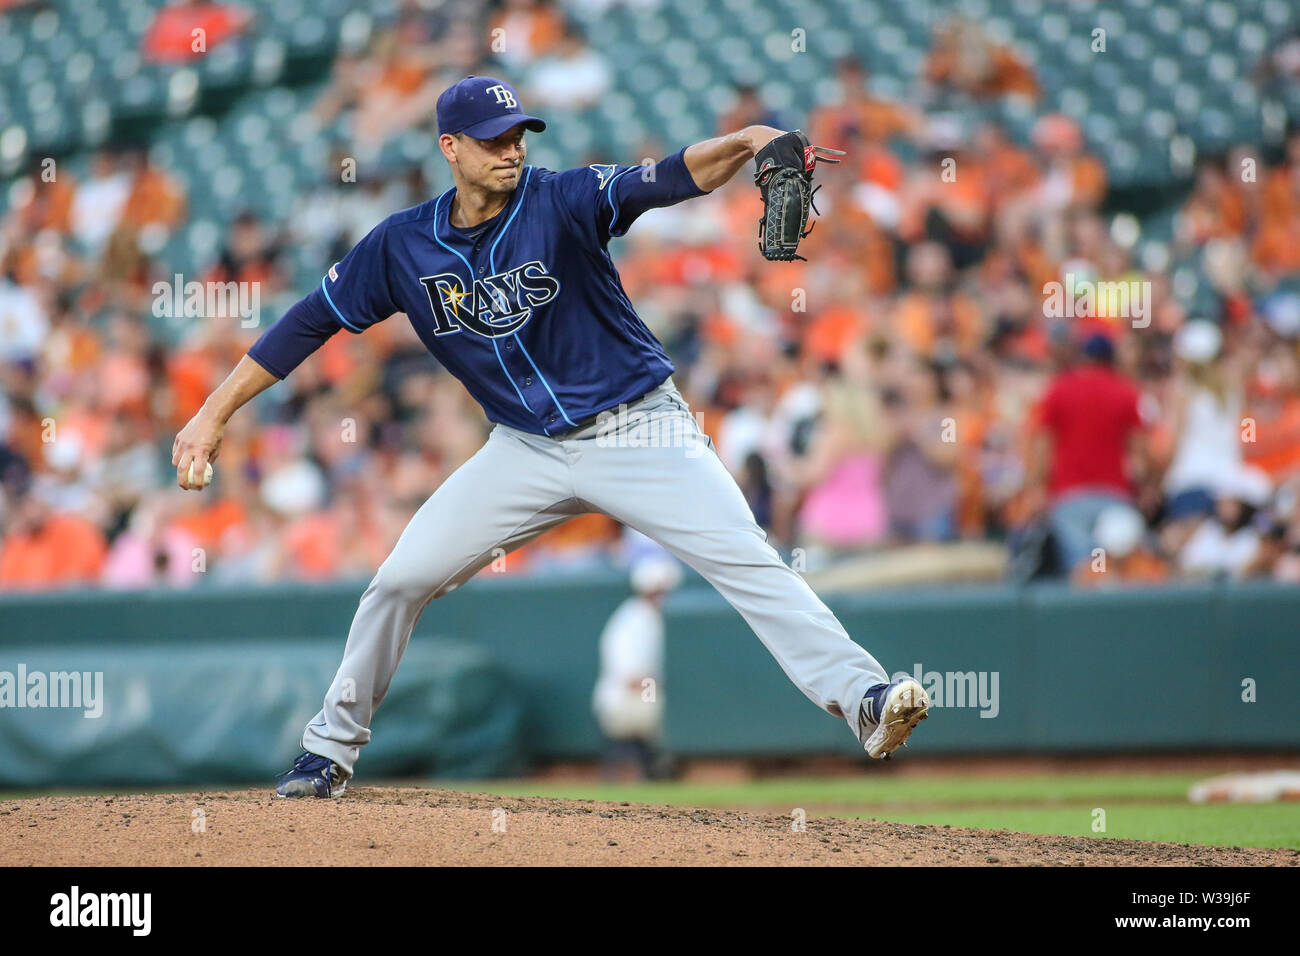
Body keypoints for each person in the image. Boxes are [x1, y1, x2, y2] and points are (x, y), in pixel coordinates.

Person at [172, 76, 929, 799]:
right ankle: (330, 750)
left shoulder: (563, 198)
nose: (512, 148)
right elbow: (308, 322)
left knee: (746, 559)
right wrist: (212, 414)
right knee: (400, 580)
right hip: (523, 450)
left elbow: (664, 178)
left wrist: (747, 140)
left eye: (520, 133)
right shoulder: (401, 247)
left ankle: (863, 697)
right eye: (493, 137)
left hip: (637, 429)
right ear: (451, 147)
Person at [592, 555, 682, 780]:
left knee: (682, 704)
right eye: (661, 591)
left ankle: (666, 772)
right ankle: (664, 771)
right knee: (672, 707)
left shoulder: (659, 619)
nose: (666, 596)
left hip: (640, 698)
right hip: (621, 702)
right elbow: (631, 679)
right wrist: (668, 690)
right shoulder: (633, 620)